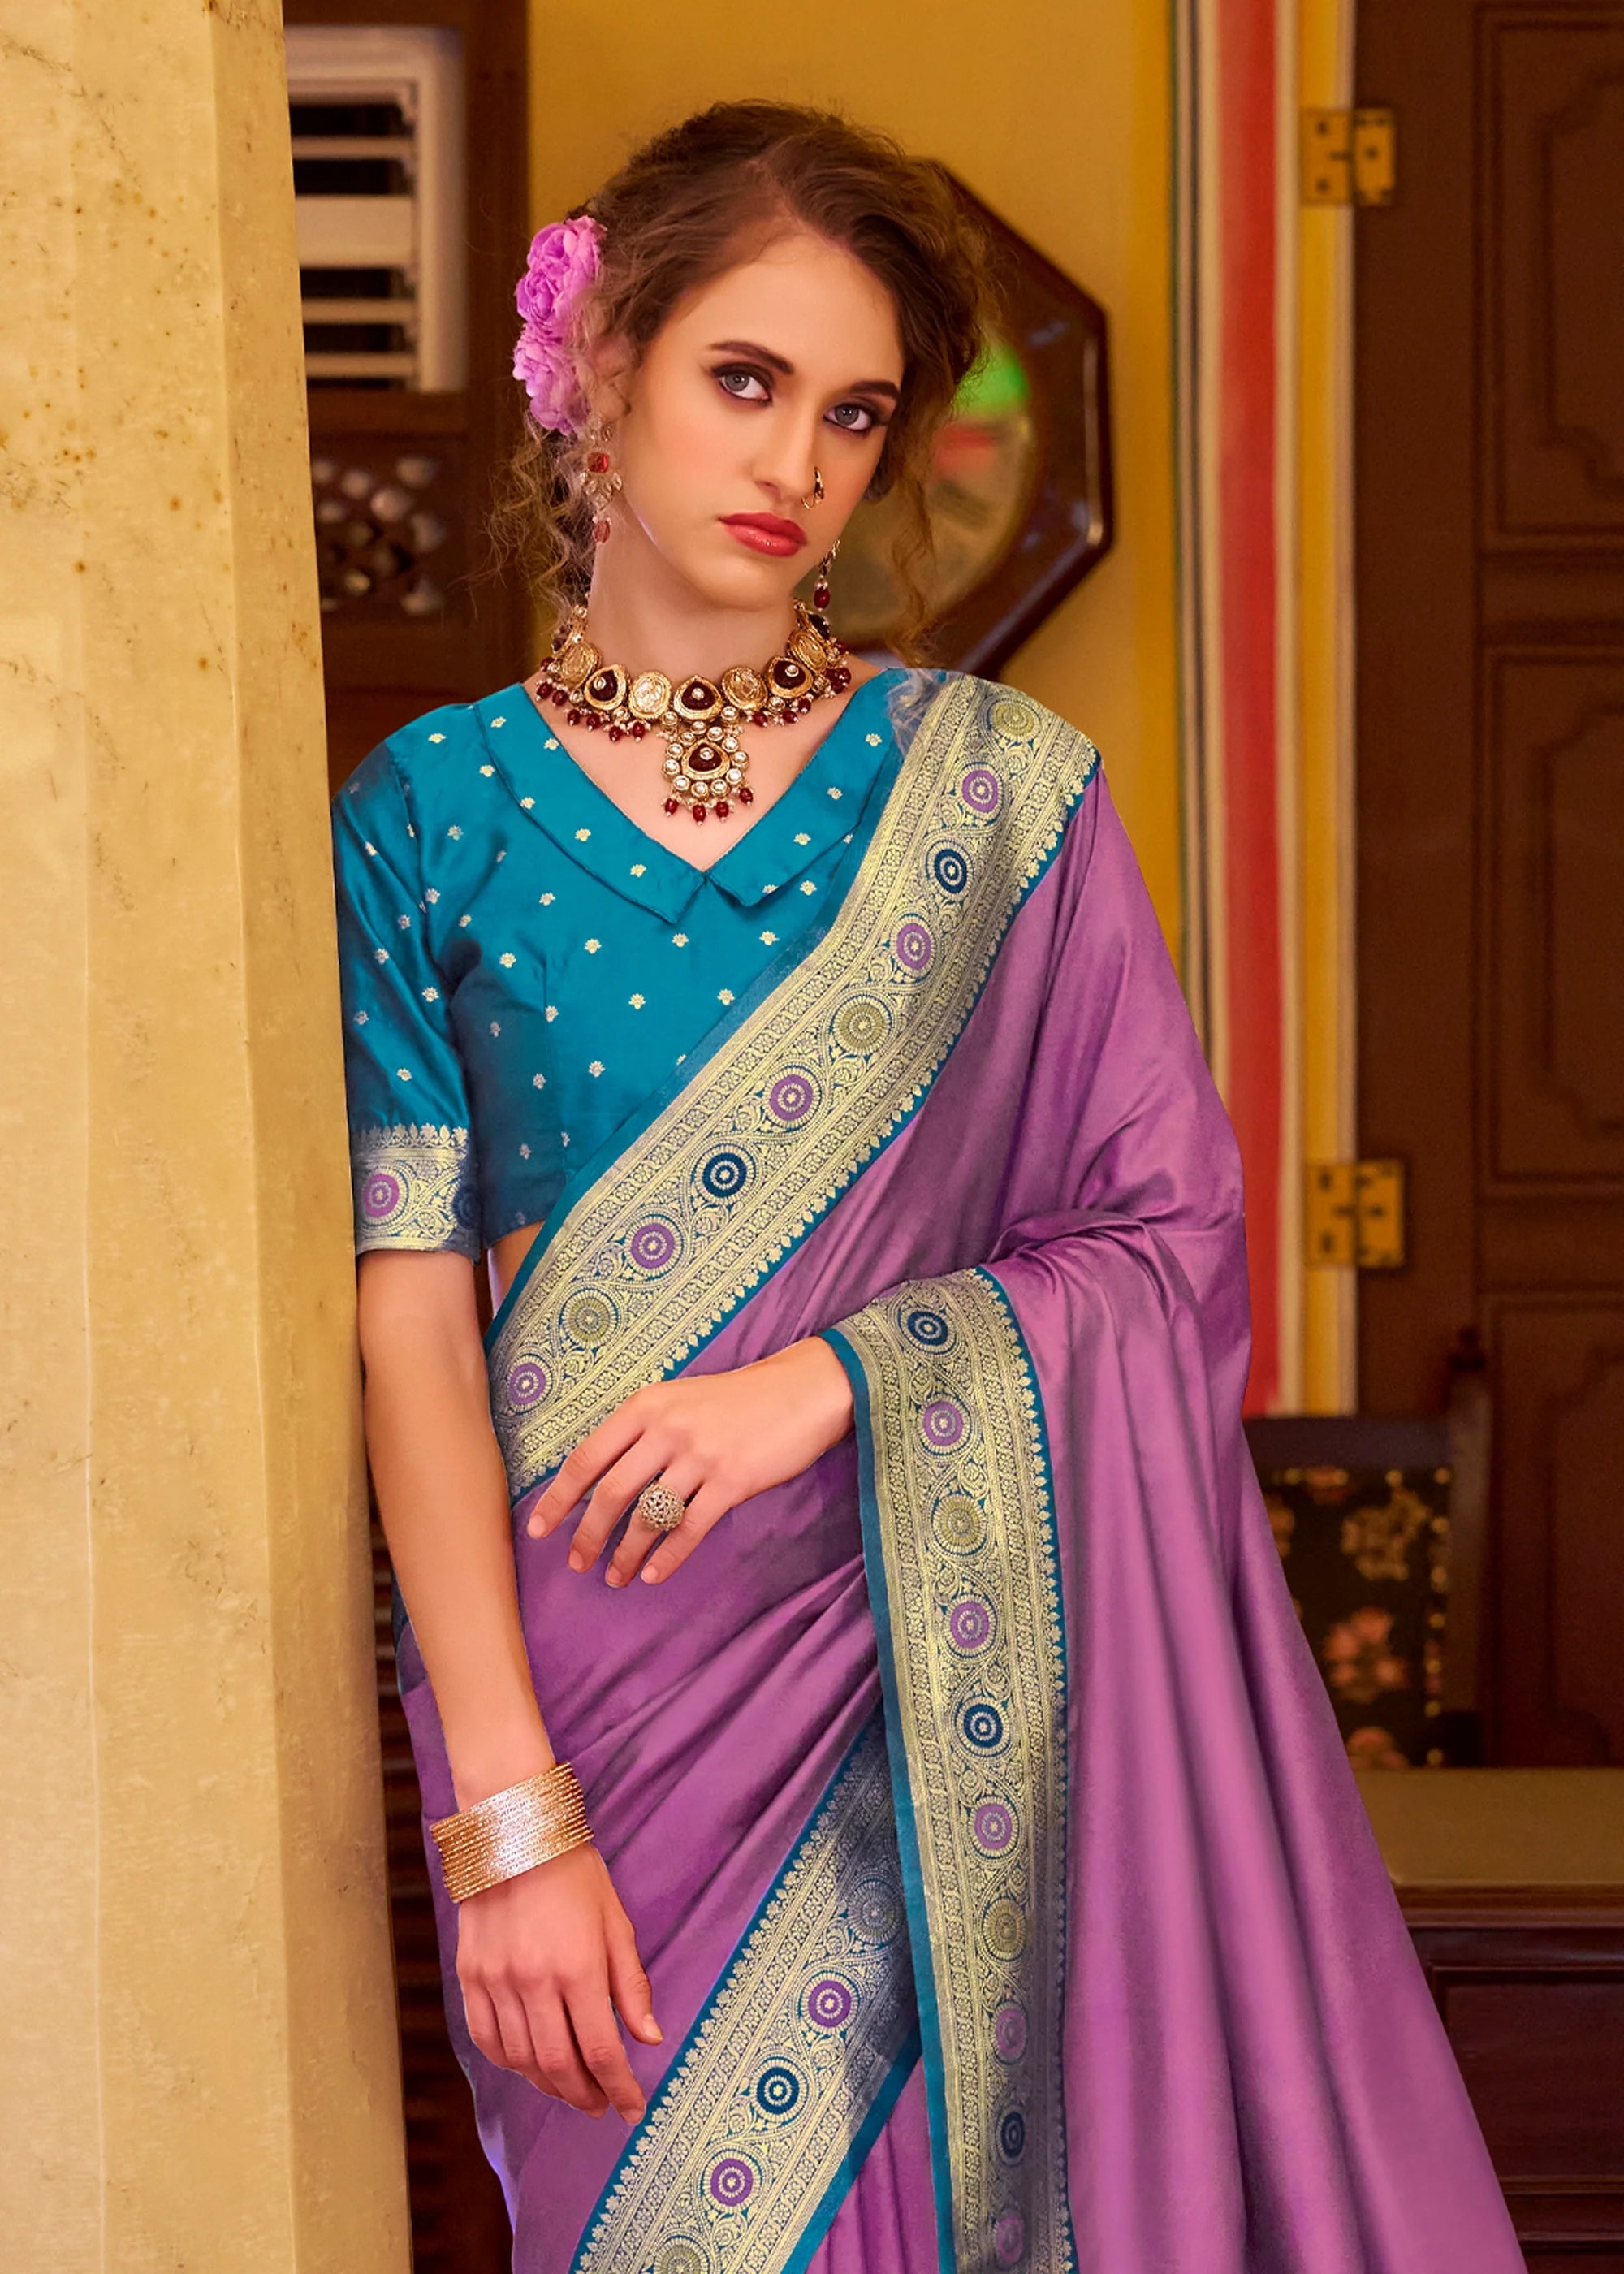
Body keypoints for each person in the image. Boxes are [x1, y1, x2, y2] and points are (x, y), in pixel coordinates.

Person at [333, 100, 1523, 2274]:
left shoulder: (996, 803)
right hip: (593, 1712)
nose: (797, 462)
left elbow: (1164, 1251)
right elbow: (403, 1312)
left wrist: (830, 1384)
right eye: (745, 381)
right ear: (600, 366)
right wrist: (505, 1816)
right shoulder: (427, 817)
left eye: (856, 412)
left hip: (952, 1702)